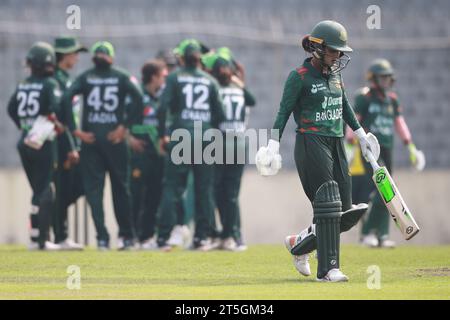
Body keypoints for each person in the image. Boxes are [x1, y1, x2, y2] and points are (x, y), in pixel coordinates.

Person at [255, 20, 379, 282]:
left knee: (344, 213)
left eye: (340, 51)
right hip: (311, 142)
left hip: (336, 142)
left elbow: (344, 105)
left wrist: (361, 135)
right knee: (329, 205)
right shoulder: (298, 76)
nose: (338, 56)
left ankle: (298, 245)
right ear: (318, 48)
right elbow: (283, 112)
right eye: (334, 50)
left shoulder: (336, 74)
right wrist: (272, 146)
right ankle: (328, 269)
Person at [62, 41, 144, 250]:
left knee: (94, 191)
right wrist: (125, 127)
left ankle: (102, 238)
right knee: (121, 189)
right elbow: (139, 99)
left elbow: (65, 99)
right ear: (111, 57)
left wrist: (75, 129)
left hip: (91, 141)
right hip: (114, 140)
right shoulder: (121, 76)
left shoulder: (86, 77)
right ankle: (126, 237)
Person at [156, 39, 225, 251]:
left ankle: (165, 236)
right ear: (200, 59)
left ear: (182, 58)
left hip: (180, 135)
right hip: (204, 137)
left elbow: (162, 108)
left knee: (172, 187)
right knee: (204, 189)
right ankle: (201, 237)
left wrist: (162, 135)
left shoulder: (175, 77)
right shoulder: (209, 80)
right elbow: (220, 114)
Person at [348, 58, 425, 248]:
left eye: (388, 78)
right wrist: (349, 146)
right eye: (382, 77)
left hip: (387, 149)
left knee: (388, 190)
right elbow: (353, 122)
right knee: (378, 190)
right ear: (373, 79)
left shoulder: (392, 99)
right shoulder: (364, 98)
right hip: (368, 151)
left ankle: (381, 234)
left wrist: (411, 147)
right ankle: (367, 234)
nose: (385, 81)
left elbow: (400, 124)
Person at [7, 42, 64, 250]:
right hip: (42, 141)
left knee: (37, 191)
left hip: (24, 141)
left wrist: (25, 126)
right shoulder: (50, 84)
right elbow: (57, 107)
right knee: (47, 189)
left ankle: (34, 237)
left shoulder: (23, 83)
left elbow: (11, 108)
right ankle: (43, 239)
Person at [202, 50, 256, 251]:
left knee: (216, 191)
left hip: (220, 141)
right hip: (239, 142)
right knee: (232, 195)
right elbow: (252, 100)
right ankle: (230, 235)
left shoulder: (213, 89)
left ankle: (220, 234)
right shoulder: (238, 88)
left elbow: (214, 117)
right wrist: (239, 80)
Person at [128, 59, 168, 249]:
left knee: (155, 195)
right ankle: (132, 236)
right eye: (162, 76)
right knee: (136, 195)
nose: (164, 80)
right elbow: (123, 120)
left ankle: (147, 236)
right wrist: (129, 139)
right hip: (139, 155)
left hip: (157, 155)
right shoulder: (137, 96)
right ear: (154, 77)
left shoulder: (161, 98)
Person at [52, 36, 87, 250]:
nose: (76, 57)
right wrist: (70, 148)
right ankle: (58, 235)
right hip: (60, 145)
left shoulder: (64, 79)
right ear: (64, 55)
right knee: (62, 188)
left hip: (69, 142)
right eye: (74, 53)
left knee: (72, 188)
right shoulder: (56, 80)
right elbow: (61, 120)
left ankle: (51, 227)